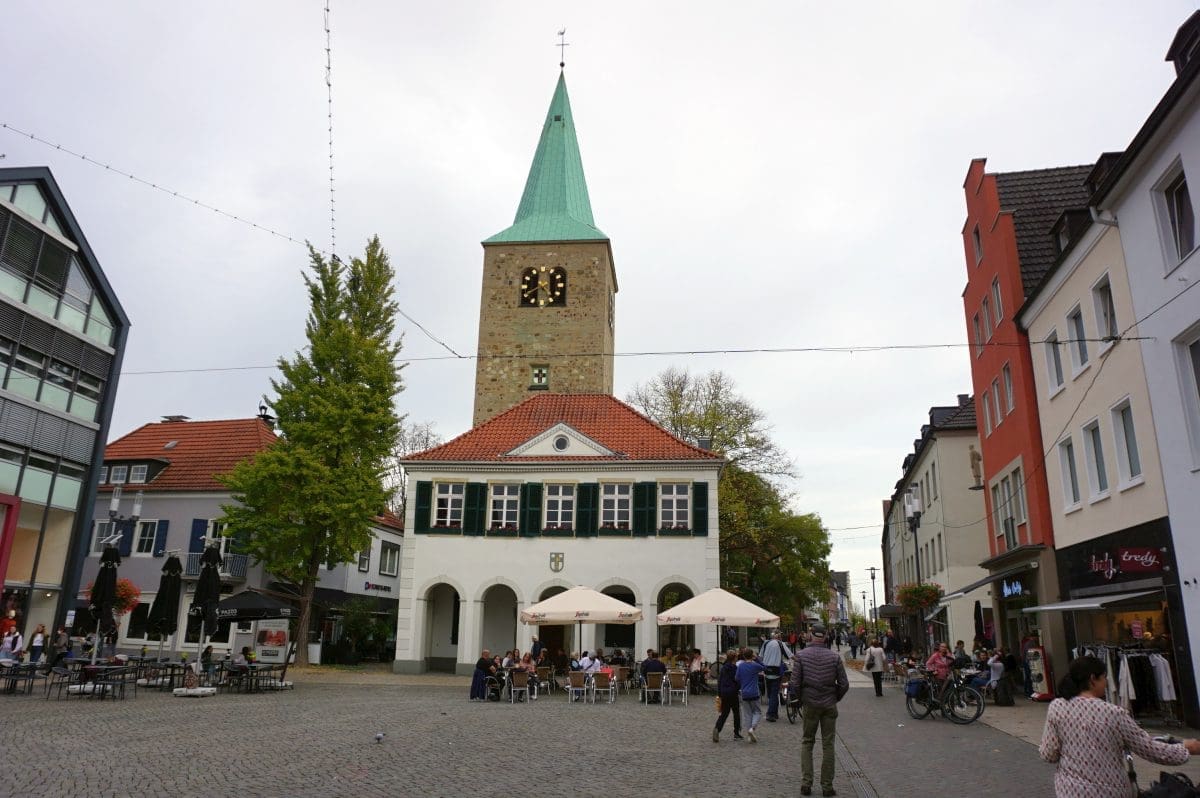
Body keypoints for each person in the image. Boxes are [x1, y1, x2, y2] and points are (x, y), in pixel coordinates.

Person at [1039, 655, 1199, 797]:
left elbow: (1048, 754)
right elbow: (1149, 749)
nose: (1107, 681)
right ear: (1093, 679)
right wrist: (1185, 748)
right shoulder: (1114, 713)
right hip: (1110, 790)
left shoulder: (1057, 707)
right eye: (1104, 677)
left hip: (1069, 791)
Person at [790, 625, 849, 797]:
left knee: (807, 742)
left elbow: (794, 683)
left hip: (810, 703)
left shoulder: (801, 656)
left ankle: (806, 783)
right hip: (829, 704)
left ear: (810, 636)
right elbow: (844, 684)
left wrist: (802, 699)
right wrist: (834, 697)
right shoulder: (834, 657)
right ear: (824, 637)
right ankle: (827, 786)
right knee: (828, 744)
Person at [759, 630, 794, 722]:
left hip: (766, 670)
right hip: (775, 671)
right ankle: (770, 714)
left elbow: (760, 656)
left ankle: (774, 713)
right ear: (778, 636)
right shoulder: (780, 644)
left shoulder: (765, 643)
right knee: (774, 693)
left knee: (770, 693)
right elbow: (790, 655)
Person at [712, 649, 743, 742]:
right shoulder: (735, 668)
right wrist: (738, 688)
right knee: (736, 713)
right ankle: (736, 733)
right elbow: (737, 680)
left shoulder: (723, 668)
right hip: (732, 693)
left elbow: (720, 681)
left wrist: (720, 693)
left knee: (724, 713)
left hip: (724, 693)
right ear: (734, 658)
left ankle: (717, 728)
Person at [735, 647, 765, 743]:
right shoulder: (755, 665)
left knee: (747, 714)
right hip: (754, 692)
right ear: (752, 655)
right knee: (757, 712)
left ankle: (749, 733)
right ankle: (752, 728)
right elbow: (764, 667)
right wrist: (756, 658)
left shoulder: (741, 666)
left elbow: (737, 678)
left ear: (743, 656)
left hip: (744, 693)